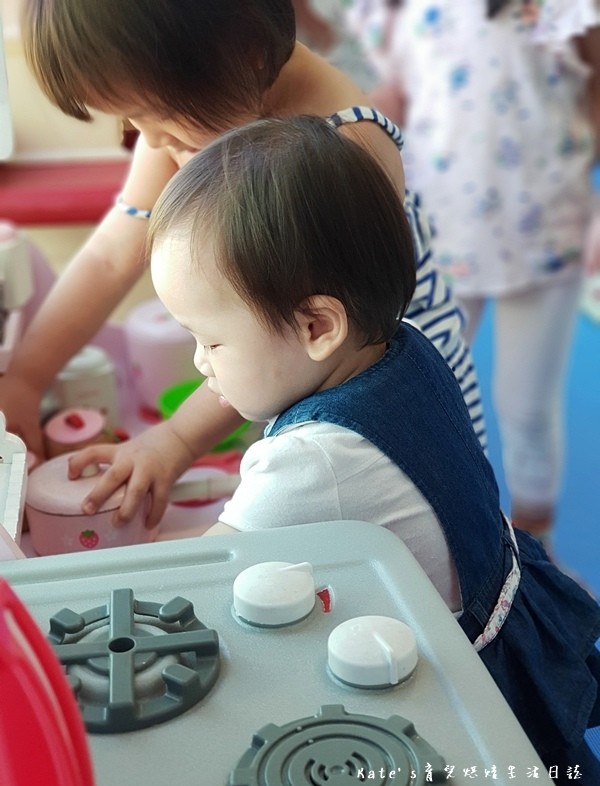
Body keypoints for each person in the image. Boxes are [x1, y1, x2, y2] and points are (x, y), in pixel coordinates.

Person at [76, 114, 600, 786]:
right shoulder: (405, 345)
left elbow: (195, 582)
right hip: (507, 612)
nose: (201, 363)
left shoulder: (314, 461)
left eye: (211, 341)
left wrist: (77, 565)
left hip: (454, 689)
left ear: (318, 326)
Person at [4, 0, 485, 493]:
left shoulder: (348, 150)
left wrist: (176, 440)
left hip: (393, 410)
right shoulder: (192, 109)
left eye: (155, 114)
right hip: (291, 376)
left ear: (246, 51)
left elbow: (284, 344)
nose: (149, 140)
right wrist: (25, 378)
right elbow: (111, 254)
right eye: (131, 120)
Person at [340, 0, 600, 545]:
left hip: (547, 231)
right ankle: (454, 535)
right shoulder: (402, 10)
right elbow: (402, 96)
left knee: (526, 406)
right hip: (444, 232)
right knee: (428, 390)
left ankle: (536, 544)